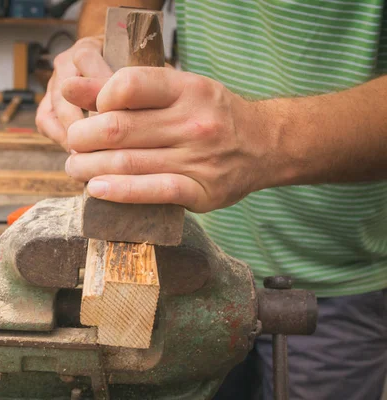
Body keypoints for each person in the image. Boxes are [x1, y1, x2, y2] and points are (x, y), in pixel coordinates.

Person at [36, 0, 387, 399]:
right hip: (192, 261)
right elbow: (122, 11)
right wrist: (95, 50)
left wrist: (264, 137)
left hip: (336, 274)